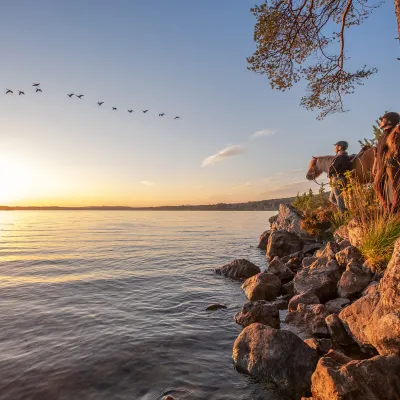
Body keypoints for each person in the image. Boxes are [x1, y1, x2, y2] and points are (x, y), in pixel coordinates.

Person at [374, 112, 400, 212]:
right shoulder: (382, 136)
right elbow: (378, 151)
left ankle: (395, 210)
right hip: (381, 165)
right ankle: (386, 206)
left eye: (382, 119)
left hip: (391, 164)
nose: (380, 122)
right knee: (377, 185)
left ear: (389, 121)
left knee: (395, 187)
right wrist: (375, 165)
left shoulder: (395, 132)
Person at [328, 141, 352, 212]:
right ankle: (345, 209)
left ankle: (343, 214)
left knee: (339, 199)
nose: (335, 147)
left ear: (340, 147)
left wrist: (330, 173)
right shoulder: (346, 157)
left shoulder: (340, 157)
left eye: (336, 146)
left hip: (337, 179)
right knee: (331, 199)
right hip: (342, 178)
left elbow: (333, 169)